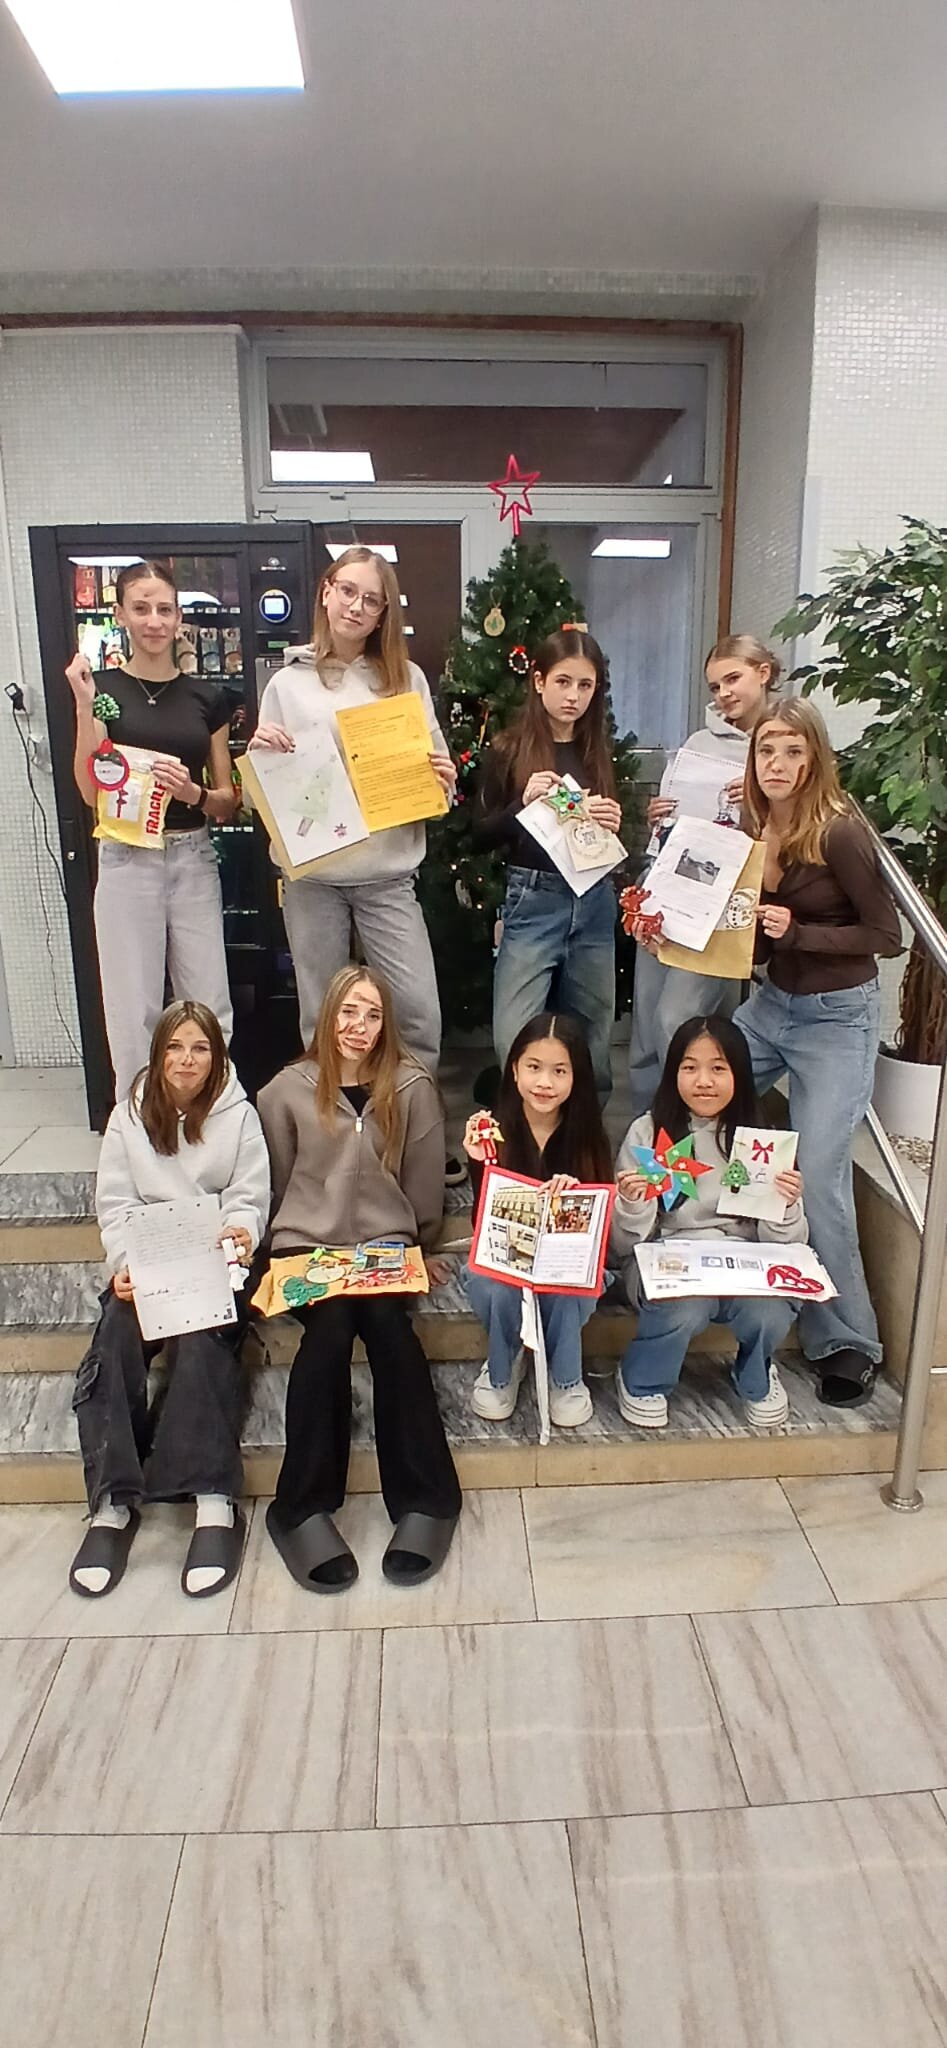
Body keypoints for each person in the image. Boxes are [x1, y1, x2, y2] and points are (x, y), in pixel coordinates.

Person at [257, 965, 461, 1593]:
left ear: (386, 1023)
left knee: (389, 1330)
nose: (359, 1027)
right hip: (308, 1246)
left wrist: (421, 1248)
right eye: (348, 1011)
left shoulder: (411, 1086)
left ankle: (427, 1498)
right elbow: (275, 1181)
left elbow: (423, 1178)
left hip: (383, 1247)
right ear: (328, 1015)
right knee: (329, 1331)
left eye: (373, 1015)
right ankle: (300, 1507)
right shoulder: (285, 1091)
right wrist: (272, 1253)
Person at [69, 1001, 270, 1600]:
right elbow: (116, 1203)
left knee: (204, 1341)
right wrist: (125, 1266)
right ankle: (112, 1502)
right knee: (115, 1337)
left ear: (217, 1056)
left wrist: (241, 1231)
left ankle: (212, 1498)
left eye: (200, 1048)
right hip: (150, 1258)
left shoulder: (239, 1114)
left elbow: (248, 1193)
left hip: (212, 1258)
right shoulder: (129, 1116)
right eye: (175, 1048)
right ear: (158, 1055)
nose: (187, 1060)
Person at [732, 696, 901, 1406]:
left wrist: (796, 932)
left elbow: (886, 934)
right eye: (767, 749)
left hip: (837, 1018)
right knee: (691, 1085)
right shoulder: (753, 825)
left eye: (793, 751)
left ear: (814, 759)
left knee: (821, 1174)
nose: (777, 763)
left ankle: (847, 1342)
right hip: (772, 1006)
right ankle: (709, 1271)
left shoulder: (839, 833)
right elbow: (750, 942)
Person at [249, 546, 456, 1074]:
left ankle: (414, 1116)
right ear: (326, 592)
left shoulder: (405, 679)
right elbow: (260, 798)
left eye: (372, 600)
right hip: (313, 877)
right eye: (347, 591)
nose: (356, 607)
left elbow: (438, 787)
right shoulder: (286, 684)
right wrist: (260, 757)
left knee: (417, 1013)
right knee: (322, 1016)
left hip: (388, 877)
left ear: (384, 613)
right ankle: (332, 1118)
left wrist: (441, 781)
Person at [65, 560, 237, 1099]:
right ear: (120, 614)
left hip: (191, 855)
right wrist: (84, 707)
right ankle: (138, 1122)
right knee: (131, 1007)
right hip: (125, 856)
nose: (154, 621)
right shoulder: (103, 690)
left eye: (165, 609)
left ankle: (213, 1115)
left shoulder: (207, 698)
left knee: (208, 1002)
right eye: (141, 608)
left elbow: (227, 801)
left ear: (179, 617)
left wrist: (194, 793)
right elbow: (90, 790)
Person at [612, 1015, 808, 1429]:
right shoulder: (647, 1132)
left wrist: (788, 1206)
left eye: (718, 1068)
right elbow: (623, 1246)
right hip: (663, 1257)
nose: (704, 1081)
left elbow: (786, 1246)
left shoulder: (760, 1138)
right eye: (690, 1067)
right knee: (686, 1306)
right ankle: (643, 1380)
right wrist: (631, 1204)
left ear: (739, 1073)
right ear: (673, 1073)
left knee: (772, 1309)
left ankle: (755, 1375)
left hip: (742, 1261)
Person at [627, 634, 780, 1117]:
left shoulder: (781, 744)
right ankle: (648, 1128)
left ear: (764, 673)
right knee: (648, 1017)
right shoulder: (699, 744)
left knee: (679, 1017)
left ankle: (691, 1124)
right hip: (668, 884)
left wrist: (756, 801)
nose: (723, 694)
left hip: (724, 898)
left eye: (733, 679)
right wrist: (657, 815)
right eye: (715, 686)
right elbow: (677, 821)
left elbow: (798, 824)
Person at [476, 628, 624, 1100]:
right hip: (533, 899)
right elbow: (479, 833)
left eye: (585, 685)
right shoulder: (509, 748)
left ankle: (585, 1140)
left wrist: (613, 821)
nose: (573, 696)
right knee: (515, 1036)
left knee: (593, 1042)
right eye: (563, 682)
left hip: (594, 898)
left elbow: (602, 838)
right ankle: (519, 1138)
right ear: (539, 681)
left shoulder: (596, 750)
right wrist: (521, 805)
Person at [464, 1011, 613, 1426]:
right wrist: (480, 1164)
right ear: (514, 1070)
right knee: (495, 1283)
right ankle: (504, 1366)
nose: (544, 1082)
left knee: (569, 1288)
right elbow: (484, 1228)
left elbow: (597, 1237)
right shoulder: (492, 1131)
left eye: (559, 1071)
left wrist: (574, 1200)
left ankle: (565, 1378)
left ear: (577, 1077)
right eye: (533, 1067)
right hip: (508, 1257)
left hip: (564, 1260)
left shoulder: (588, 1135)